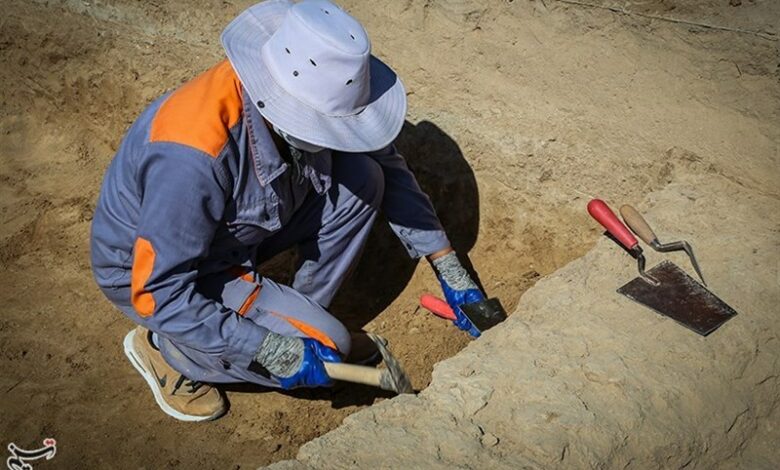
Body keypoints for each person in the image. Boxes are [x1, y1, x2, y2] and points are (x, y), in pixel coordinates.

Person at [90, 0, 486, 422]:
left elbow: (386, 164)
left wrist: (448, 266)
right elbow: (158, 292)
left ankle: (299, 318)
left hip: (236, 229)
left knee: (365, 178)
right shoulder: (190, 158)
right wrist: (269, 348)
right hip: (159, 275)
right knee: (329, 347)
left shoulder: (299, 87)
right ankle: (168, 352)